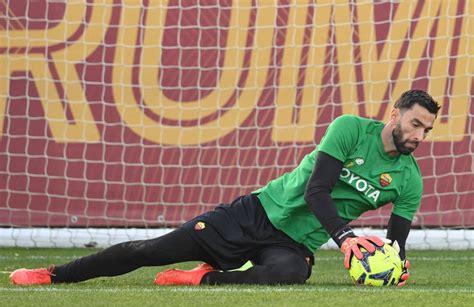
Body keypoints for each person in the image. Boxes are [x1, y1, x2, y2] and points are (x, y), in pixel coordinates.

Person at [10, 89, 440, 287]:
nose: (419, 135)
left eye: (427, 129)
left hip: (294, 243)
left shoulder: (409, 181)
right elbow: (316, 191)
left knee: (293, 273)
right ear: (395, 114)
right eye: (415, 123)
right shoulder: (349, 129)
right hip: (255, 213)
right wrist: (345, 238)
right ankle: (53, 275)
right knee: (149, 251)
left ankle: (206, 279)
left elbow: (396, 245)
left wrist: (395, 266)